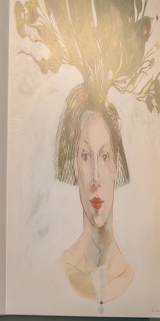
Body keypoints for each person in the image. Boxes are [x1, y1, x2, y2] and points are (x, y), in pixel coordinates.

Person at [54, 86, 134, 305]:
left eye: (105, 156)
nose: (95, 178)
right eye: (86, 156)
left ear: (116, 163)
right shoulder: (58, 272)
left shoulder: (134, 276)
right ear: (75, 166)